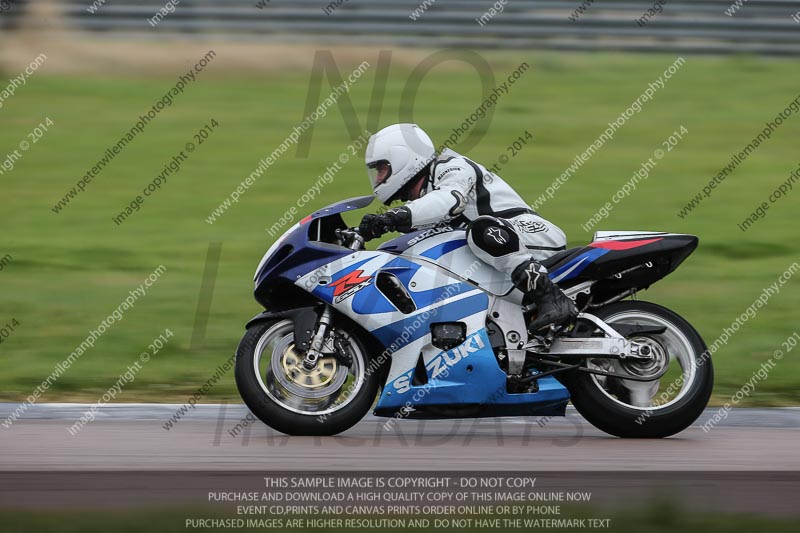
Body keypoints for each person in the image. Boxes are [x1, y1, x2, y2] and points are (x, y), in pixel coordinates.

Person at [359, 123, 578, 332]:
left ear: (403, 157)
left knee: (481, 229)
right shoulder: (421, 205)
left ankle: (552, 298)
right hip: (498, 252)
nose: (378, 177)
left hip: (531, 233)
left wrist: (392, 217)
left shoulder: (451, 166)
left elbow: (449, 200)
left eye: (382, 168)